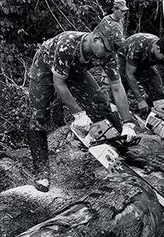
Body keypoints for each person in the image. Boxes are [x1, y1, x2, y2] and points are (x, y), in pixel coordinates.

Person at [26, 17, 135, 192]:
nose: (109, 54)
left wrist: (127, 122)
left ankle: (120, 149)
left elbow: (116, 86)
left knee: (100, 103)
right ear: (96, 38)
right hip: (45, 67)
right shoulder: (67, 45)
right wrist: (79, 114)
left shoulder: (108, 52)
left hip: (76, 70)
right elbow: (59, 83)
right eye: (107, 50)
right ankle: (41, 172)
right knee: (39, 116)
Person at [117, 33, 164, 121]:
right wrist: (140, 100)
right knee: (121, 87)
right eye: (163, 58)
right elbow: (129, 74)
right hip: (124, 59)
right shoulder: (137, 46)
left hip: (145, 63)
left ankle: (159, 117)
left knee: (156, 89)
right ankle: (120, 116)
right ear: (157, 49)